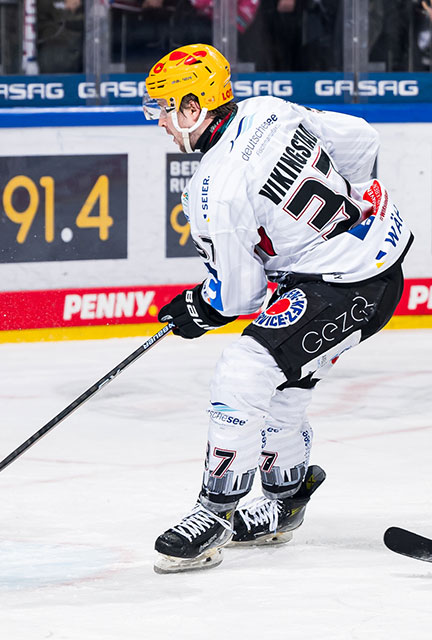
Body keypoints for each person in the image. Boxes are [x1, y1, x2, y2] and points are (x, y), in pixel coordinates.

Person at [142, 44, 412, 573]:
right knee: (283, 386)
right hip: (378, 263)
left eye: (166, 108)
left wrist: (196, 309)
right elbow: (363, 138)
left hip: (345, 284)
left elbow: (239, 296)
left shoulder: (211, 190)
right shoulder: (269, 108)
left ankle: (214, 512)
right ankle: (286, 498)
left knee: (244, 371)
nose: (162, 123)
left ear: (194, 108)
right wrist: (356, 203)